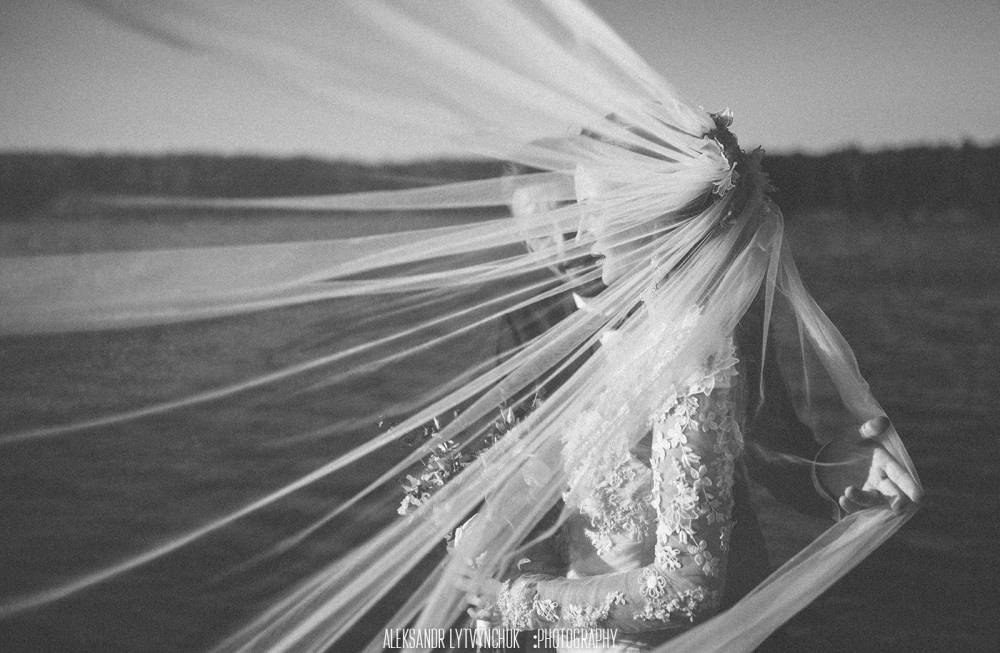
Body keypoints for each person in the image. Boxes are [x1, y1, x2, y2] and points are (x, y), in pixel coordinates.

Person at [453, 115, 922, 651]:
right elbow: (523, 470)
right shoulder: (524, 328)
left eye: (577, 214)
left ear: (647, 208)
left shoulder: (710, 334)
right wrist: (495, 552)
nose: (568, 244)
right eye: (541, 238)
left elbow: (761, 439)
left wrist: (826, 472)